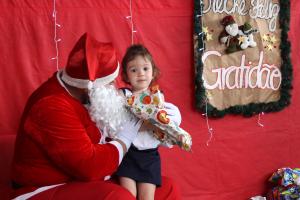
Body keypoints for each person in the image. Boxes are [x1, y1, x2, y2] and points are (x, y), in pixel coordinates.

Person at [11, 33, 181, 200]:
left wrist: (165, 124)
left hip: (88, 177)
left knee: (167, 188)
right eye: (109, 83)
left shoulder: (84, 95)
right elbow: (88, 166)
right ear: (90, 85)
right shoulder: (52, 105)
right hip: (47, 187)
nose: (114, 88)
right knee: (119, 197)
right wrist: (127, 135)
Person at [114, 44, 182, 200]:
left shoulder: (157, 97)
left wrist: (162, 126)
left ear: (153, 72)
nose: (140, 74)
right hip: (127, 154)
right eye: (134, 70)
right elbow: (118, 122)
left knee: (147, 198)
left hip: (149, 157)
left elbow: (163, 122)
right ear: (126, 75)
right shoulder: (123, 95)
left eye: (145, 68)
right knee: (128, 195)